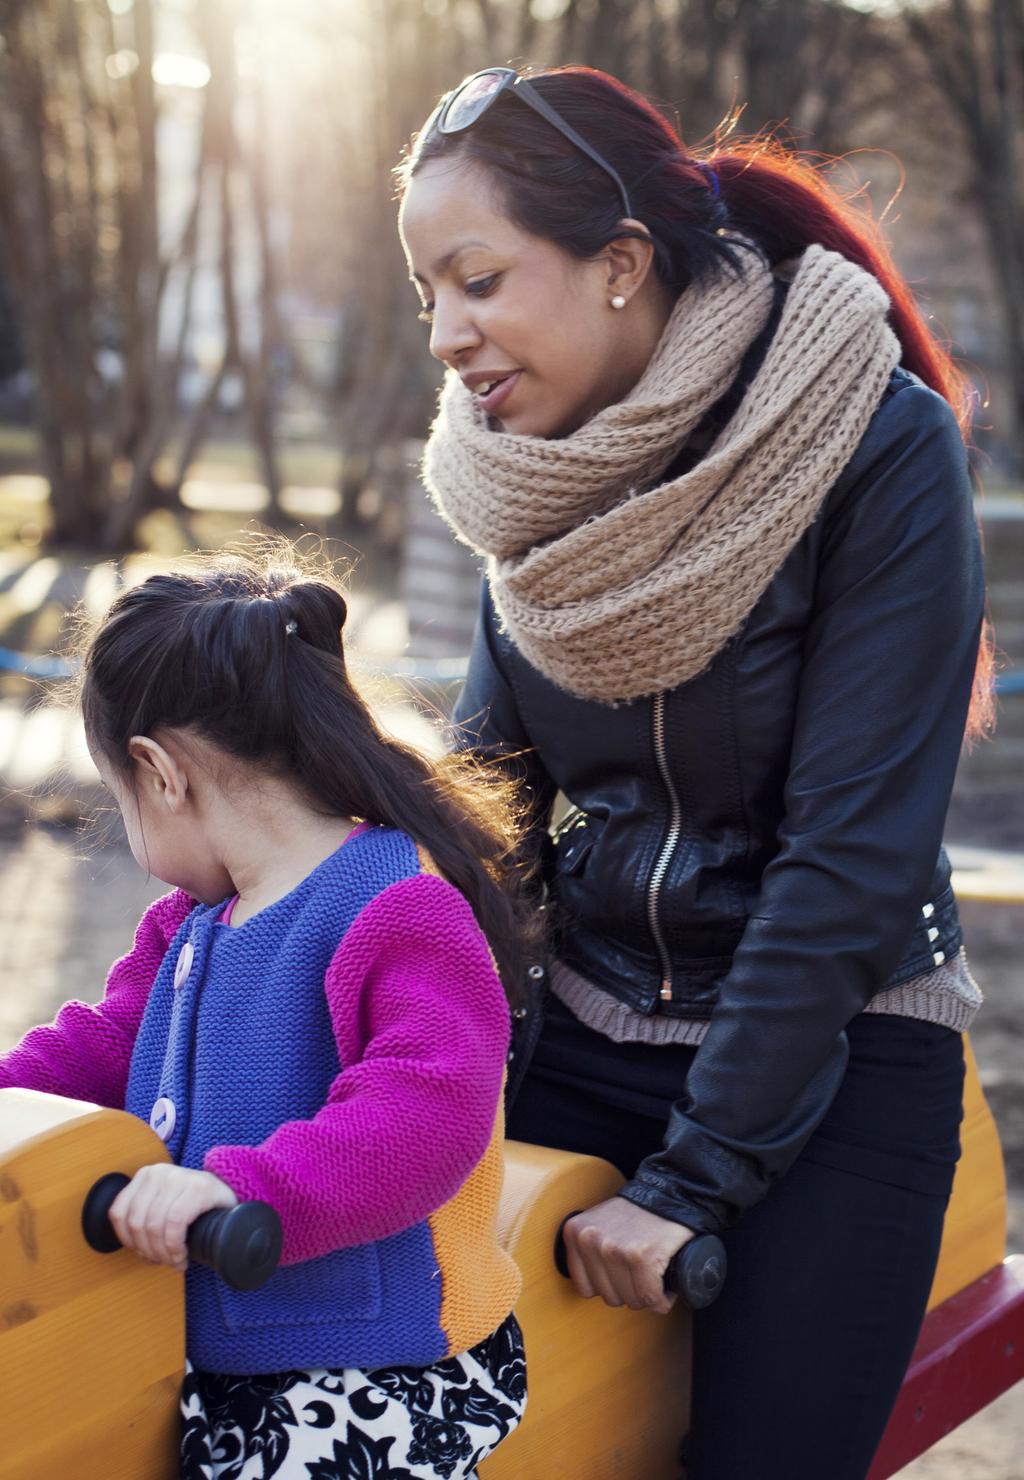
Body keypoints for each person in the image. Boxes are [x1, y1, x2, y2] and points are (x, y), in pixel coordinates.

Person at [396, 64, 995, 1480]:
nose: (446, 336)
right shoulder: (517, 474)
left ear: (618, 265)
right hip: (585, 1024)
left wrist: (694, 1182)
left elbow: (849, 859)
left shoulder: (874, 444)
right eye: (427, 296)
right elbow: (487, 813)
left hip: (836, 1051)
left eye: (476, 281)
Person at [0, 546, 531, 1480]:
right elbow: (106, 1043)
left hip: (373, 1369)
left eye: (120, 801)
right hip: (217, 1353)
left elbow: (421, 1114)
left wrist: (245, 1190)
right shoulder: (195, 921)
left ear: (159, 772)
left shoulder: (397, 906)